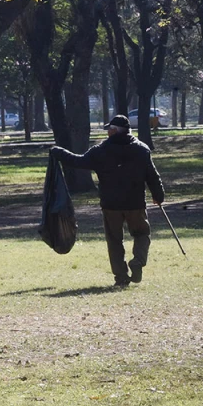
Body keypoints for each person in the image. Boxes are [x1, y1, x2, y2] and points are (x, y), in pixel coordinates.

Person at [49, 114, 165, 287]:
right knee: (142, 234)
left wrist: (58, 152)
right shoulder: (142, 149)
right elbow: (152, 176)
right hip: (135, 203)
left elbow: (77, 161)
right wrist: (158, 195)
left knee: (114, 241)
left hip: (111, 205)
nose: (108, 133)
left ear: (113, 131)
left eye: (109, 129)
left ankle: (121, 278)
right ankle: (138, 262)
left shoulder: (100, 150)